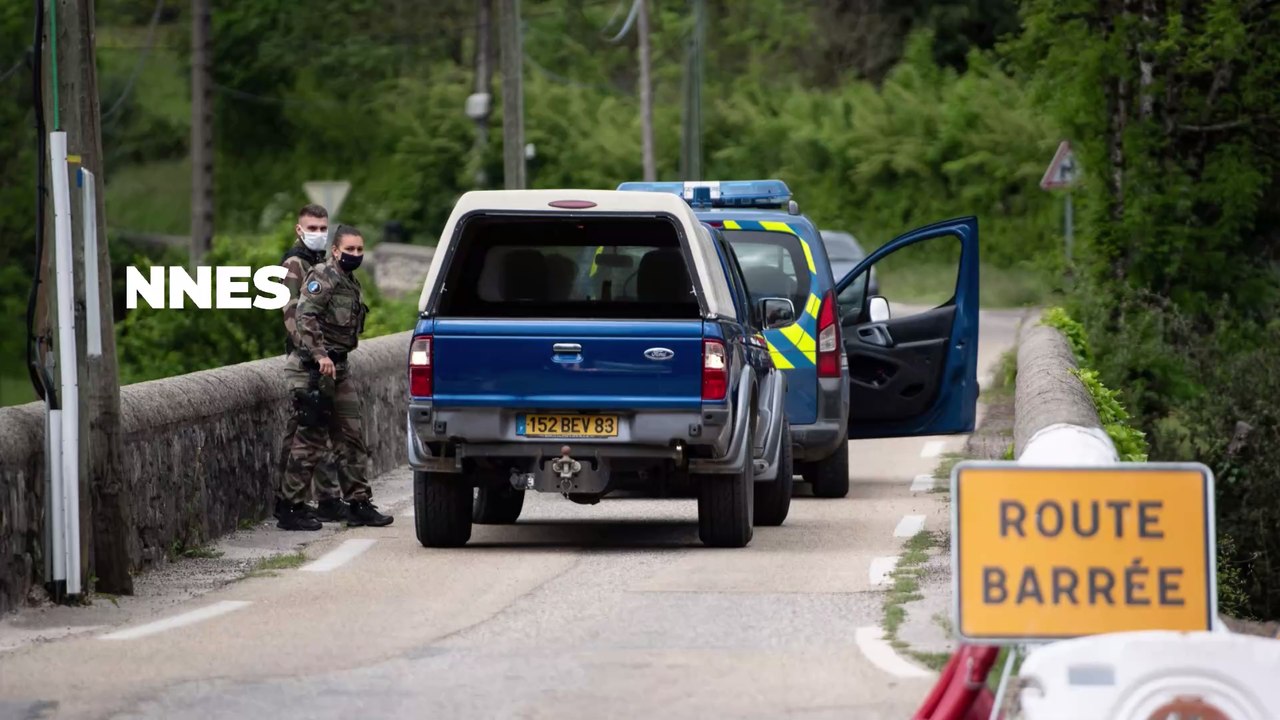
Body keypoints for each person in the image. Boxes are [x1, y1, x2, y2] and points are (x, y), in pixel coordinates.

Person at [279, 224, 394, 530]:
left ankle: (358, 502)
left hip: (339, 369)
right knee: (310, 439)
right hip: (314, 370)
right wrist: (319, 355)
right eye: (350, 250)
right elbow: (304, 316)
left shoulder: (349, 281)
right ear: (335, 250)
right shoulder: (323, 277)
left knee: (351, 437)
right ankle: (291, 507)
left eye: (360, 250)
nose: (355, 254)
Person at [275, 204, 346, 525]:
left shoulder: (322, 264)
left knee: (312, 429)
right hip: (306, 360)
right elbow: (292, 316)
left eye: (322, 227)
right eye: (312, 228)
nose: (318, 233)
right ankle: (291, 506)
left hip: (323, 359)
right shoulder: (294, 265)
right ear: (299, 229)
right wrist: (316, 353)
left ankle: (319, 500)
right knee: (308, 428)